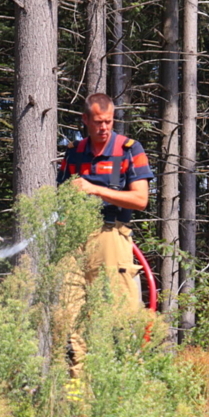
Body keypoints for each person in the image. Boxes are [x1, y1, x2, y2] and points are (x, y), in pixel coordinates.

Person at [56, 92, 154, 375]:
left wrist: (95, 189)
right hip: (74, 241)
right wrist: (61, 218)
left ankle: (123, 388)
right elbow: (62, 195)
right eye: (98, 122)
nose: (104, 127)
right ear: (85, 120)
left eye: (108, 121)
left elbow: (140, 200)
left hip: (111, 237)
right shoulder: (74, 151)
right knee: (70, 316)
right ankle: (78, 397)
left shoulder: (129, 149)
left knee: (120, 316)